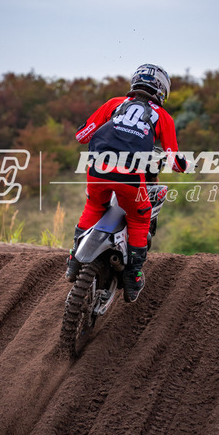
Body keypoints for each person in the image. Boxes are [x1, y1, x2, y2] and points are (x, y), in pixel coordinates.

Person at [66, 64, 188, 302]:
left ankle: (73, 259)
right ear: (162, 90)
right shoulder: (163, 117)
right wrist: (185, 165)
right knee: (140, 216)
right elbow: (175, 161)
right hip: (129, 174)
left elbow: (82, 136)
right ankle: (133, 276)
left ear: (135, 82)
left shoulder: (114, 103)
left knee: (94, 206)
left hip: (97, 168)